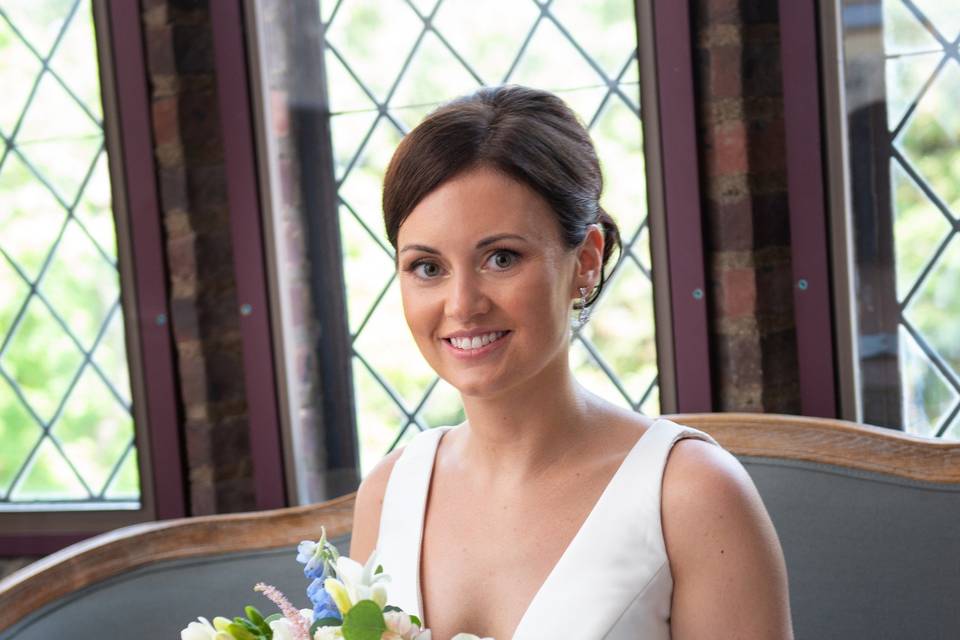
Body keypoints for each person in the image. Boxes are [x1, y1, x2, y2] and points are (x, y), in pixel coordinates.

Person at [350, 85, 793, 640]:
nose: (462, 304)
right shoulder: (390, 492)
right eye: (427, 267)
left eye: (501, 258)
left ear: (585, 260)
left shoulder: (692, 494)